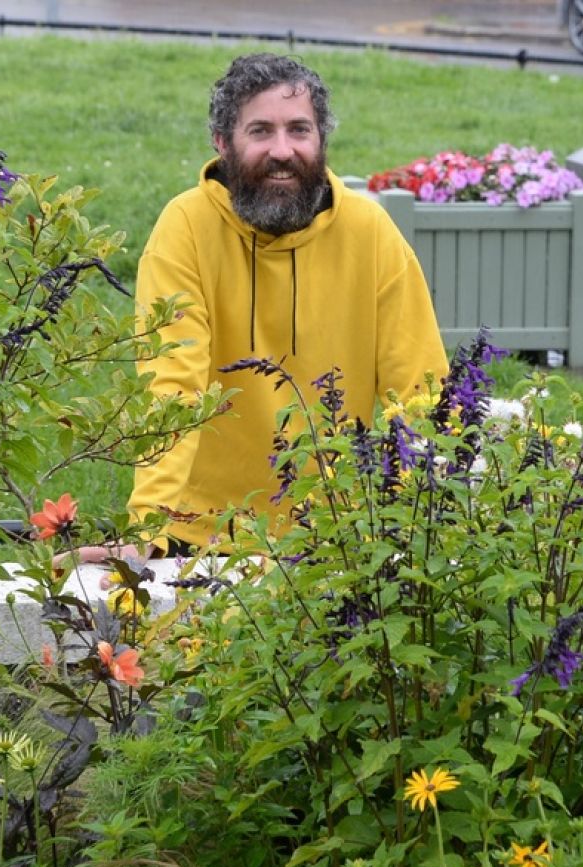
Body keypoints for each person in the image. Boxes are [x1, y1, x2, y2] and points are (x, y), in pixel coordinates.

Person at [126, 53, 447, 554]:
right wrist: (146, 529)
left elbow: (420, 388)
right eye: (260, 131)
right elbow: (172, 387)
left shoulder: (371, 232)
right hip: (205, 538)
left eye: (299, 130)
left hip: (342, 537)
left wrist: (418, 522)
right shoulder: (184, 228)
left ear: (321, 140)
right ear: (222, 142)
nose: (283, 150)